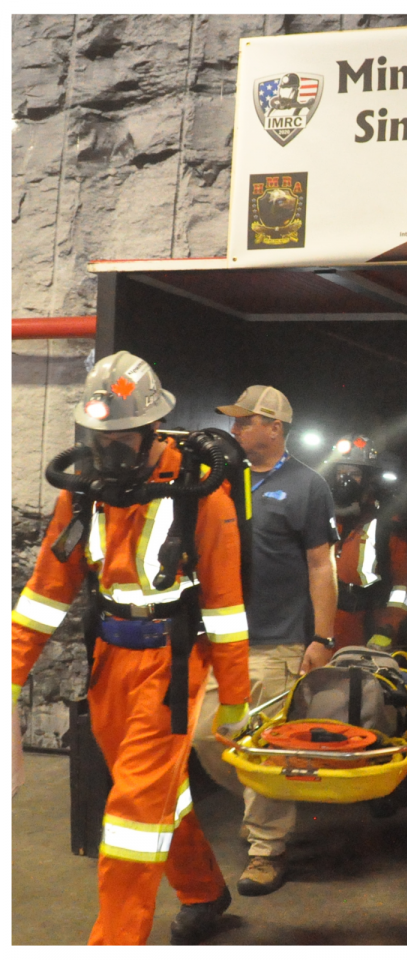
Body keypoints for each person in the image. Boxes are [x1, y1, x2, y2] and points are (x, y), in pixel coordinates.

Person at [11, 352, 250, 945]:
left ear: (152, 432)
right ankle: (201, 888)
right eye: (99, 437)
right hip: (110, 660)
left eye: (120, 438)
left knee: (131, 819)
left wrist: (236, 701)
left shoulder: (200, 495)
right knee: (154, 791)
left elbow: (225, 609)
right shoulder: (84, 492)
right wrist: (7, 674)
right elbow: (45, 593)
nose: (107, 450)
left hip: (171, 666)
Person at [192, 385, 339, 898]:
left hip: (275, 640)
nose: (235, 430)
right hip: (220, 639)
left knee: (260, 746)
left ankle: (266, 849)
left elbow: (321, 563)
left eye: (246, 421)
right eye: (234, 422)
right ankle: (275, 801)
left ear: (275, 428)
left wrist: (321, 637)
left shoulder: (306, 485)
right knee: (209, 738)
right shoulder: (219, 481)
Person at [325, 435, 407, 650]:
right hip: (324, 628)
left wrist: (388, 627)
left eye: (354, 474)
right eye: (341, 473)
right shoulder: (321, 518)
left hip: (367, 630)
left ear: (368, 479)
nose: (346, 480)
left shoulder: (386, 524)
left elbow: (402, 585)